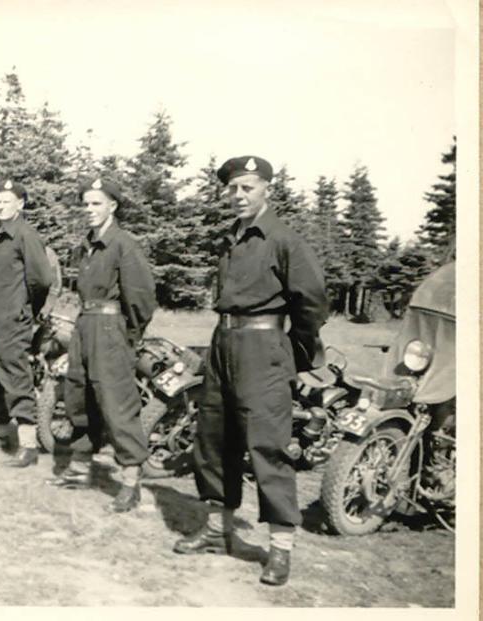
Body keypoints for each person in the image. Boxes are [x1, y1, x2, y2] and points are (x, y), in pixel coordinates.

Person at [173, 156, 328, 587]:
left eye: (248, 188)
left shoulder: (284, 240)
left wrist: (288, 351)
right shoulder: (232, 239)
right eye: (233, 189)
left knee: (267, 445)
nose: (238, 196)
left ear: (266, 190)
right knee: (213, 439)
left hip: (264, 349)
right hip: (222, 344)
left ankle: (280, 548)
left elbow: (312, 303)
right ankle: (217, 528)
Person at [45, 177, 157, 513]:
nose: (89, 210)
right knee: (80, 397)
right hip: (85, 326)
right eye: (86, 203)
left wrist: (127, 338)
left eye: (97, 203)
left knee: (116, 404)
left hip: (111, 329)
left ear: (113, 206)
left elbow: (141, 299)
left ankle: (131, 482)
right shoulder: (88, 246)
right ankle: (80, 468)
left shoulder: (124, 245)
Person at [0, 179, 53, 467]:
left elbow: (42, 279)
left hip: (13, 320)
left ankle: (28, 446)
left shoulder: (25, 235)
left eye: (6, 200)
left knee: (16, 377)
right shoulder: (2, 236)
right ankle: (2, 434)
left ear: (21, 204)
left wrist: (25, 309)